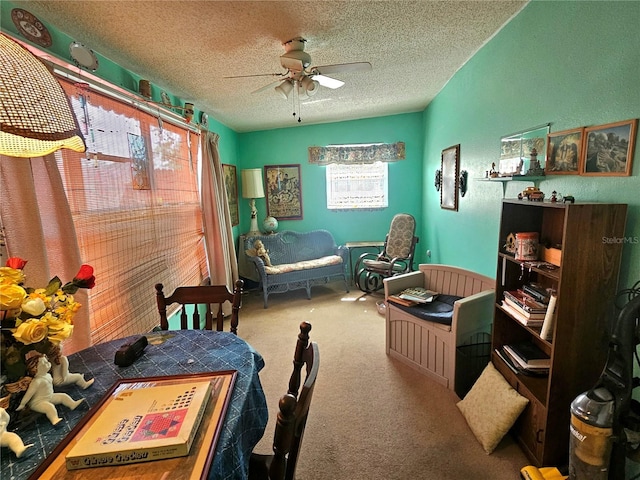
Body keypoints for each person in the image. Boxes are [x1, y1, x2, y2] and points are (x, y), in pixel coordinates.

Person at [16, 354, 84, 426]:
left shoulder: (48, 375)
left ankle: (72, 404)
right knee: (49, 407)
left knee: (63, 396)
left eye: (47, 361)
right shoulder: (37, 382)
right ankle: (55, 420)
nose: (48, 363)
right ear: (35, 369)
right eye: (44, 363)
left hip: (49, 396)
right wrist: (22, 404)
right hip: (37, 402)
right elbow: (29, 393)